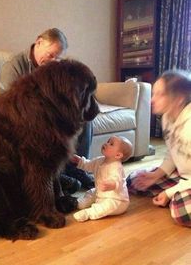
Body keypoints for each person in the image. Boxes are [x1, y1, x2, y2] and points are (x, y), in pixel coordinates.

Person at [0, 28, 94, 193]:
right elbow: (11, 103)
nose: (53, 60)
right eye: (50, 55)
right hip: (25, 118)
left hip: (50, 113)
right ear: (39, 43)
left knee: (84, 119)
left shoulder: (54, 68)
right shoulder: (14, 65)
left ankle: (77, 168)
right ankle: (57, 175)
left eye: (57, 57)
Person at [128, 70, 191, 227]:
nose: (151, 100)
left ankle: (178, 196)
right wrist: (156, 175)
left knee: (180, 212)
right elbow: (173, 153)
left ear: (179, 99)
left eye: (159, 94)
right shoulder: (167, 117)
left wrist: (169, 193)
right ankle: (179, 193)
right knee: (134, 181)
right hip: (185, 176)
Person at [71, 135, 133, 222]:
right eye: (108, 141)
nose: (106, 144)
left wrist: (111, 184)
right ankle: (81, 202)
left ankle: (89, 213)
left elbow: (117, 180)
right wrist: (80, 161)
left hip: (116, 200)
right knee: (91, 192)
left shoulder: (116, 167)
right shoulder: (100, 160)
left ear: (118, 155)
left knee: (107, 206)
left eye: (111, 144)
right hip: (100, 193)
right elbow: (89, 164)